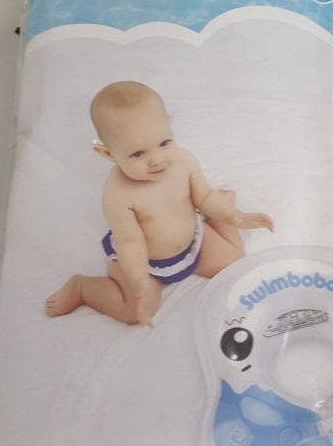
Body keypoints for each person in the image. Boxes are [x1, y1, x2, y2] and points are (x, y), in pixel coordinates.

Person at [46, 81, 274, 327]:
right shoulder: (118, 194)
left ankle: (223, 211)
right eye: (137, 154)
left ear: (169, 124)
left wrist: (237, 217)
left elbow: (204, 197)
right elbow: (129, 241)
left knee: (234, 262)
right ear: (108, 154)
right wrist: (138, 281)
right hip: (146, 263)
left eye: (164, 142)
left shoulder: (183, 161)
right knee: (133, 311)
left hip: (194, 242)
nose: (156, 159)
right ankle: (82, 288)